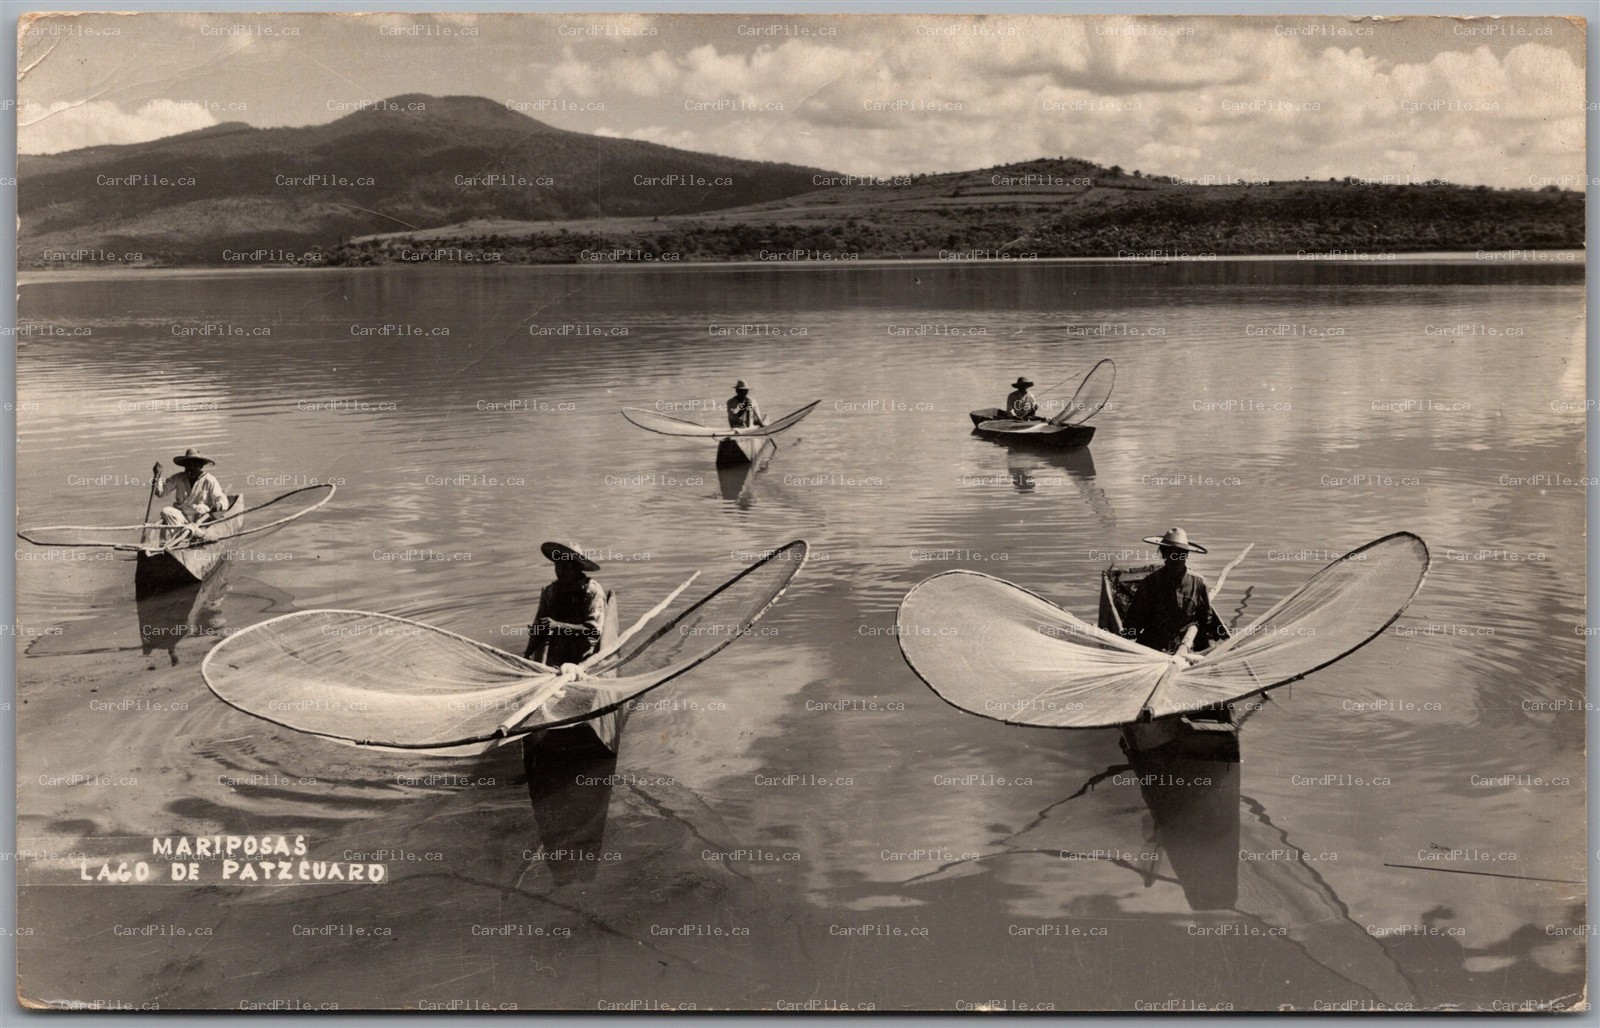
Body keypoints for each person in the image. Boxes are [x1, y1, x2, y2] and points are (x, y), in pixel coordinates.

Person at [1124, 527, 1230, 654]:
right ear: (1163, 554)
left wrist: (1218, 641)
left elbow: (1206, 620)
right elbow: (1133, 622)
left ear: (1186, 555)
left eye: (1180, 554)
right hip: (1153, 648)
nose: (1175, 559)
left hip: (1187, 647)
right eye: (1170, 553)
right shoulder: (1149, 584)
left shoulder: (1198, 584)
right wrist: (1126, 642)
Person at [525, 541, 608, 666]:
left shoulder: (591, 591)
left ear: (577, 568)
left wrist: (557, 626)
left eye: (566, 567)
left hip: (585, 650)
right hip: (558, 651)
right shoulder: (550, 591)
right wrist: (527, 654)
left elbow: (594, 631)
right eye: (558, 567)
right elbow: (539, 626)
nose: (560, 572)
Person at [152, 448, 230, 545]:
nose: (191, 468)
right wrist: (157, 476)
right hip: (182, 520)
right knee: (166, 511)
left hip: (201, 521)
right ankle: (182, 539)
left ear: (200, 466)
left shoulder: (209, 480)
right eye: (188, 465)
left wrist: (219, 504)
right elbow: (161, 493)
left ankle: (193, 535)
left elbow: (220, 497)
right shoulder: (178, 478)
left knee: (202, 508)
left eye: (194, 465)